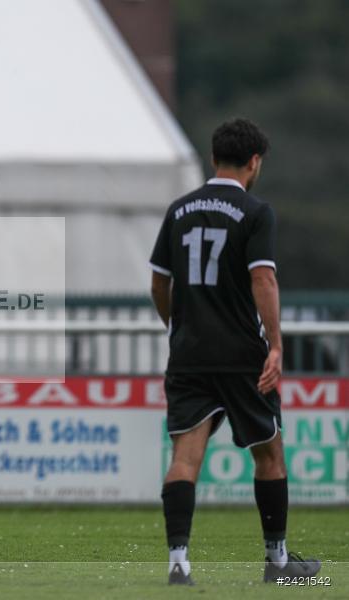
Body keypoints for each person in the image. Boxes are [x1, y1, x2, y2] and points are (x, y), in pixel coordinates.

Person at [149, 118, 321, 585]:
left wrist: (178, 328)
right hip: (243, 354)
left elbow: (159, 283)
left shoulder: (178, 210)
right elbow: (263, 278)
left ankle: (179, 565)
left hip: (190, 355)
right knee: (270, 455)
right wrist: (277, 344)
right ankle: (278, 562)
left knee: (185, 457)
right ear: (254, 162)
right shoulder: (255, 211)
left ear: (212, 158)